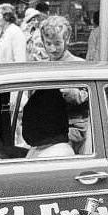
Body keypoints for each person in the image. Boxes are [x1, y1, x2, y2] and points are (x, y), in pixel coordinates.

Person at [38, 15, 89, 153]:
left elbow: (86, 97)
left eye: (57, 43)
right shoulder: (41, 67)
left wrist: (63, 89)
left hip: (72, 130)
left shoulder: (79, 66)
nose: (53, 49)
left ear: (67, 40)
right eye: (48, 44)